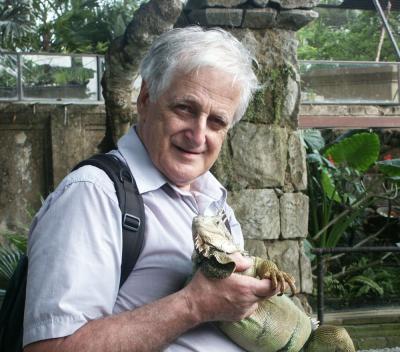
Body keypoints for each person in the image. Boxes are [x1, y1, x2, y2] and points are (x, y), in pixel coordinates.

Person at [23, 26, 280, 352]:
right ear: (145, 99)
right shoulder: (94, 194)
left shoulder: (214, 202)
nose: (199, 135)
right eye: (186, 109)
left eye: (216, 121)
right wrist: (193, 305)